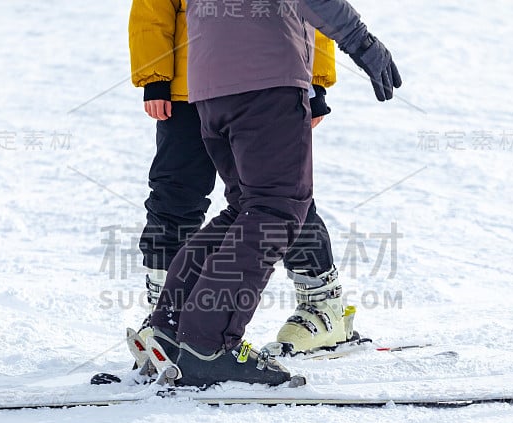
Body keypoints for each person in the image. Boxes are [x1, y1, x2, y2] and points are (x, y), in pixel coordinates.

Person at [141, 0, 402, 387]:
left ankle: (170, 326)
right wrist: (362, 44)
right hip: (266, 83)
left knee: (246, 208)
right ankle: (209, 345)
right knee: (275, 211)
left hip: (206, 87)